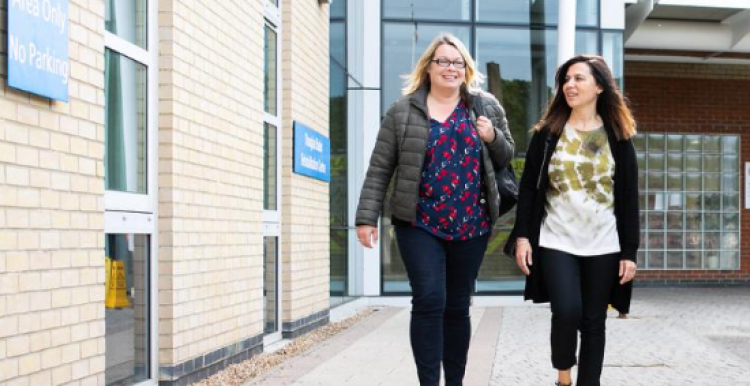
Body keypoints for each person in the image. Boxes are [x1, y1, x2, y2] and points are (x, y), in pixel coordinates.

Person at [355, 33, 514, 386]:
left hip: (471, 223)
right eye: (442, 61)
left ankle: (454, 382)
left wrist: (492, 138)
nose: (450, 68)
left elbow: (507, 157)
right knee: (429, 299)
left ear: (466, 70)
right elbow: (380, 167)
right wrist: (366, 216)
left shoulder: (484, 107)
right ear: (428, 67)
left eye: (458, 63)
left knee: (457, 306)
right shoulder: (402, 111)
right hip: (418, 222)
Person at [507, 54, 640, 386]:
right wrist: (523, 235)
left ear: (598, 86)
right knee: (566, 311)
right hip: (556, 240)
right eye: (566, 79)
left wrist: (629, 252)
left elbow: (628, 199)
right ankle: (564, 375)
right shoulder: (549, 133)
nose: (570, 85)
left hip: (604, 243)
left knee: (594, 322)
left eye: (579, 78)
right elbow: (528, 188)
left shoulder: (617, 138)